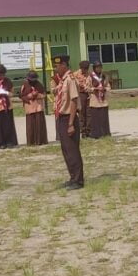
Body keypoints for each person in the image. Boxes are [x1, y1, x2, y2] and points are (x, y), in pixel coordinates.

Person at [53, 55, 84, 189]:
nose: (55, 69)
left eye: (57, 66)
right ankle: (72, 177)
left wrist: (71, 123)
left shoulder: (70, 79)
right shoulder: (62, 80)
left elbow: (73, 101)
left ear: (64, 65)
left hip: (68, 118)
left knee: (72, 150)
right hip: (61, 117)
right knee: (66, 150)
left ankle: (78, 180)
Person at [20, 72, 48, 146]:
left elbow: (44, 94)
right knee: (30, 125)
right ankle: (31, 141)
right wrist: (30, 96)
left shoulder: (39, 84)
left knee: (39, 124)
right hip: (29, 106)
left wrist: (37, 95)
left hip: (38, 106)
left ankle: (40, 140)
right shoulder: (24, 85)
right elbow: (22, 96)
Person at [88, 62, 112, 139]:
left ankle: (105, 133)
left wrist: (104, 89)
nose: (99, 69)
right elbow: (87, 87)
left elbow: (108, 87)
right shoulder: (90, 77)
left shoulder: (104, 76)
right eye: (97, 67)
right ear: (94, 68)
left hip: (103, 100)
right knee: (95, 118)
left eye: (100, 67)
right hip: (95, 100)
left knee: (104, 118)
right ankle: (96, 134)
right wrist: (94, 89)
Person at [74, 60, 93, 138]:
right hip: (80, 94)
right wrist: (81, 85)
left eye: (86, 69)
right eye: (83, 69)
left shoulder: (89, 74)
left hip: (88, 94)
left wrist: (90, 88)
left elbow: (91, 84)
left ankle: (89, 130)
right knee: (81, 113)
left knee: (89, 113)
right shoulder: (75, 74)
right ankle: (83, 131)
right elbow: (74, 84)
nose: (85, 70)